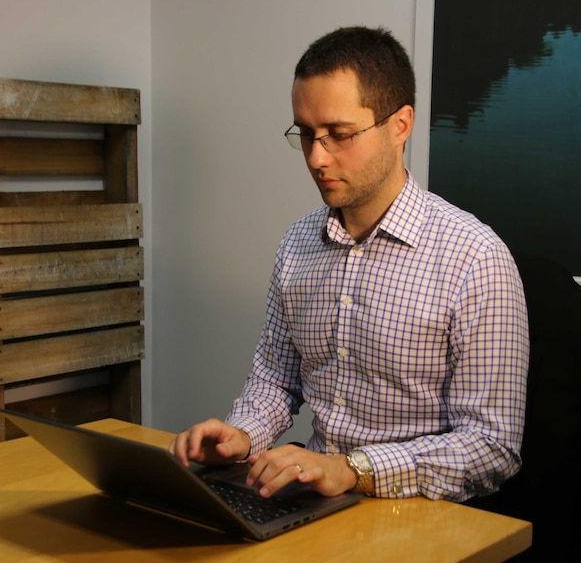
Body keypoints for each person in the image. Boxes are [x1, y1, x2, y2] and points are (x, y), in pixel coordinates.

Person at [170, 26, 529, 503]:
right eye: (305, 134)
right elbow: (276, 379)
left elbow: (491, 446)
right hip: (315, 502)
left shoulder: (474, 259)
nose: (317, 158)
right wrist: (242, 436)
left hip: (419, 515)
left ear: (400, 125)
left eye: (339, 135)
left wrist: (354, 470)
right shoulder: (297, 244)